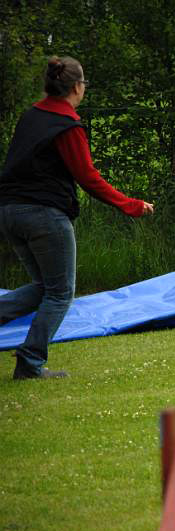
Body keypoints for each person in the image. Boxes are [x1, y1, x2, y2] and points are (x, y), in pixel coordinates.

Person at [0, 56, 154, 380]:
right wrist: (131, 205)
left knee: (45, 288)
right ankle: (29, 363)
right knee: (60, 292)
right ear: (77, 87)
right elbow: (88, 177)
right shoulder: (67, 126)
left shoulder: (31, 115)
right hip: (44, 216)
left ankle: (28, 359)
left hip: (9, 212)